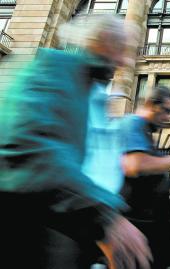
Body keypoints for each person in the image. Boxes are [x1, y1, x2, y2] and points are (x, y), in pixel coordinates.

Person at [0, 15, 151, 269]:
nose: (126, 61)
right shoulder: (53, 67)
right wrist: (104, 217)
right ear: (99, 42)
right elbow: (29, 148)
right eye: (121, 49)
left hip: (75, 237)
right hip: (34, 241)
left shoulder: (91, 91)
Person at [120, 86, 170, 269]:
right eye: (165, 110)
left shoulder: (146, 134)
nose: (167, 117)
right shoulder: (132, 123)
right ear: (150, 104)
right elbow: (136, 165)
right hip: (133, 229)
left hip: (148, 231)